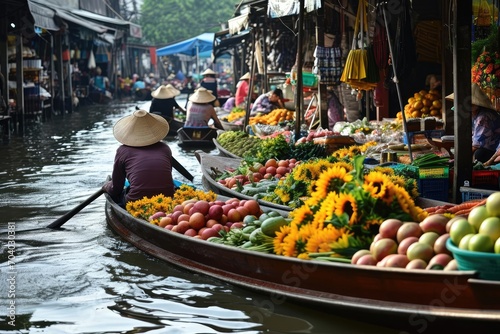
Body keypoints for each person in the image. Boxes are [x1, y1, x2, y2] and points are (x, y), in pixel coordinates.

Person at [102, 109, 175, 207]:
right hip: (167, 198)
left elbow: (116, 188)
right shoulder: (165, 148)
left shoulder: (122, 151)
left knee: (118, 196)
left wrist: (106, 187)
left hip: (136, 202)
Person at [446, 83, 500, 163]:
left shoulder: (483, 118)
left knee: (479, 154)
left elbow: (476, 144)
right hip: (488, 147)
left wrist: (458, 160)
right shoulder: (473, 114)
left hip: (495, 150)